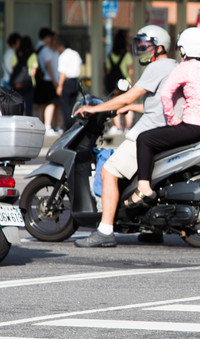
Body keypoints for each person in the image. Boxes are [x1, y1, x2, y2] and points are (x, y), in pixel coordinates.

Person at [73, 25, 177, 248]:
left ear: (159, 47)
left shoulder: (156, 67)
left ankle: (105, 230)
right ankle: (152, 227)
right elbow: (158, 105)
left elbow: (126, 97)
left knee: (108, 171)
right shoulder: (173, 66)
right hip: (164, 130)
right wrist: (131, 109)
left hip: (148, 133)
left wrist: (95, 109)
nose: (141, 50)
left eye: (145, 46)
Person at [124, 27, 200, 207]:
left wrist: (172, 120)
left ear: (184, 49)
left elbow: (165, 94)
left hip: (193, 126)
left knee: (145, 139)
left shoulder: (184, 68)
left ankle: (144, 185)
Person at [105, 29, 134, 135]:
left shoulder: (111, 55)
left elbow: (107, 70)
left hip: (114, 85)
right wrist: (133, 83)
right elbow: (130, 70)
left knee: (115, 104)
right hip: (125, 84)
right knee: (128, 104)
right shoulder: (126, 55)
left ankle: (117, 127)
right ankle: (127, 127)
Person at [33, 28, 60, 135]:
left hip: (40, 80)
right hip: (48, 80)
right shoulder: (45, 50)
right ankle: (47, 126)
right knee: (51, 103)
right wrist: (55, 81)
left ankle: (41, 125)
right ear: (47, 37)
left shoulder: (37, 48)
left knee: (41, 104)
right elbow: (48, 67)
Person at [56, 36, 82, 130]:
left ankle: (68, 127)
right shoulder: (75, 54)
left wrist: (59, 86)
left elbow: (62, 73)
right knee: (73, 105)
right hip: (75, 81)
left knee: (66, 106)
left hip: (67, 82)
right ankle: (74, 125)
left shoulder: (63, 56)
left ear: (62, 46)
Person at [10, 36, 37, 116]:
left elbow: (13, 67)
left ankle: (17, 119)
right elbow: (33, 71)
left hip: (17, 83)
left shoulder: (17, 54)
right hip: (28, 83)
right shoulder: (32, 55)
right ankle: (27, 123)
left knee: (17, 104)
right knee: (29, 106)